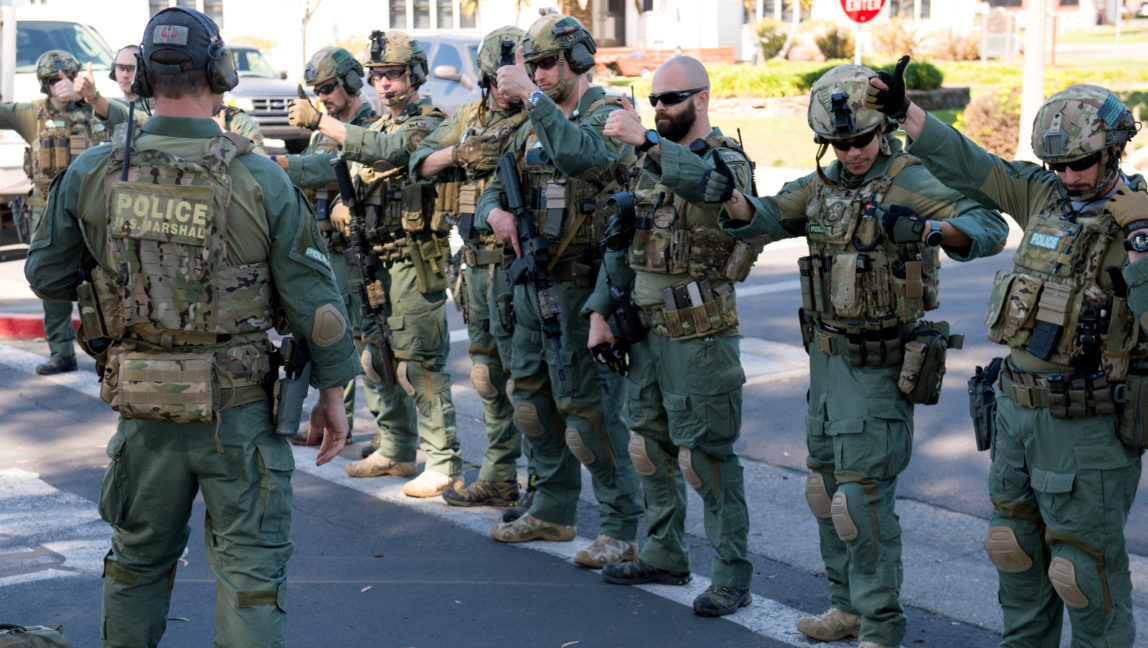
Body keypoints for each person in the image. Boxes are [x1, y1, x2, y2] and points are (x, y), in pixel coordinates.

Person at [24, 8, 356, 645]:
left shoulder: (93, 171)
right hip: (239, 413)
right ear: (223, 74)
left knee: (136, 563)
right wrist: (334, 394)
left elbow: (46, 276)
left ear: (144, 76)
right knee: (251, 575)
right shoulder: (259, 176)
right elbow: (317, 305)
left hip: (144, 413)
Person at [718, 64, 1008, 647]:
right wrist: (728, 197)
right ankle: (846, 607)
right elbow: (768, 217)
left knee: (860, 499)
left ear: (883, 131)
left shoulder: (909, 179)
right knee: (824, 492)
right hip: (825, 366)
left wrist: (931, 230)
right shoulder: (821, 186)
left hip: (878, 366)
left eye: (862, 140)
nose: (853, 153)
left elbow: (988, 225)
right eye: (841, 143)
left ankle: (881, 623)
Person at [868, 57, 1145, 647]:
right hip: (1017, 416)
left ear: (1115, 150)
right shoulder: (1042, 197)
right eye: (1059, 165)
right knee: (1013, 549)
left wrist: (1143, 246)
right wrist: (904, 112)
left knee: (1082, 571)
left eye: (1082, 163)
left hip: (1088, 427)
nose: (1069, 177)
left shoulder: (1140, 224)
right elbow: (975, 167)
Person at [585, 55, 756, 617]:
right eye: (654, 101)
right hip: (647, 332)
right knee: (648, 447)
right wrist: (600, 312)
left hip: (700, 333)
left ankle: (731, 575)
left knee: (704, 457)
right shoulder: (644, 164)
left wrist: (646, 144)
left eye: (671, 99)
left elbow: (716, 197)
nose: (659, 109)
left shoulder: (724, 159)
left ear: (701, 99)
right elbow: (621, 244)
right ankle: (664, 551)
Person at [474, 11, 643, 569]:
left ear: (577, 58)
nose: (539, 74)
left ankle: (620, 525)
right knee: (531, 404)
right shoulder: (528, 126)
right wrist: (496, 214)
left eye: (547, 63)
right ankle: (551, 508)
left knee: (590, 413)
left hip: (584, 286)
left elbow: (585, 157)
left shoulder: (608, 113)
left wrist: (533, 100)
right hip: (532, 286)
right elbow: (489, 191)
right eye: (531, 66)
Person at [316, 31, 463, 499]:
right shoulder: (375, 128)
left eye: (394, 74)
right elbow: (348, 167)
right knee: (374, 361)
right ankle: (396, 447)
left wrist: (324, 123)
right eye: (377, 75)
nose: (383, 83)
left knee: (419, 365)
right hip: (373, 259)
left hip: (414, 260)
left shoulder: (427, 123)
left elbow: (392, 152)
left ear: (415, 75)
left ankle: (442, 462)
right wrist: (273, 163)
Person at [409, 26, 528, 509]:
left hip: (517, 265)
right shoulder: (470, 116)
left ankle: (544, 481)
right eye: (498, 76)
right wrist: (457, 153)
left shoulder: (536, 119)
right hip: (475, 267)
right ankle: (500, 476)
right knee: (485, 375)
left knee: (527, 378)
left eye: (515, 73)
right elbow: (418, 160)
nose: (507, 84)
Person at [0, 49, 127, 375]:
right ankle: (61, 351)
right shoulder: (33, 114)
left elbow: (131, 121)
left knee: (106, 284)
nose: (62, 84)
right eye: (54, 80)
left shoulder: (97, 109)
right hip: (48, 215)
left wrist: (93, 97)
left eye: (67, 77)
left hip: (97, 214)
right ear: (44, 84)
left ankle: (113, 351)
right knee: (51, 287)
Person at [279, 45, 379, 447]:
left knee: (365, 343)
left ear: (353, 82)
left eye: (329, 87)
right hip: (326, 249)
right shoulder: (328, 127)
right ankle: (344, 420)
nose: (322, 97)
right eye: (317, 91)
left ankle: (389, 437)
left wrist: (288, 166)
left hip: (355, 251)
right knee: (335, 337)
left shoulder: (368, 125)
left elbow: (340, 168)